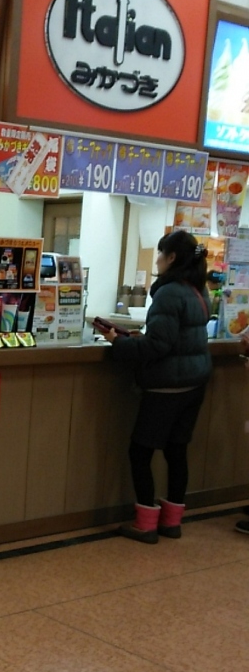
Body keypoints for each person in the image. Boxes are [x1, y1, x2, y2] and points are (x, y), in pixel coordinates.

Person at [94, 229, 211, 543]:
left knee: (140, 451)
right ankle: (172, 522)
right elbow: (176, 338)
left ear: (171, 257)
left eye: (160, 254)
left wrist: (118, 342)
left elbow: (157, 346)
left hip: (166, 388)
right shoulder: (198, 290)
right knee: (176, 451)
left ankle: (145, 524)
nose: (157, 260)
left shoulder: (169, 293)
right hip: (194, 384)